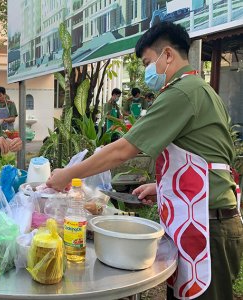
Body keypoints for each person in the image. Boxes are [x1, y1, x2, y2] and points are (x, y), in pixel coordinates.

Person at [47, 21, 242, 300]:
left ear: (168, 56)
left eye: (149, 62)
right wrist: (161, 187)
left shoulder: (182, 92)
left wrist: (67, 174)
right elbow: (206, 159)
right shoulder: (201, 89)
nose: (148, 71)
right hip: (206, 220)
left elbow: (122, 150)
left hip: (210, 227)